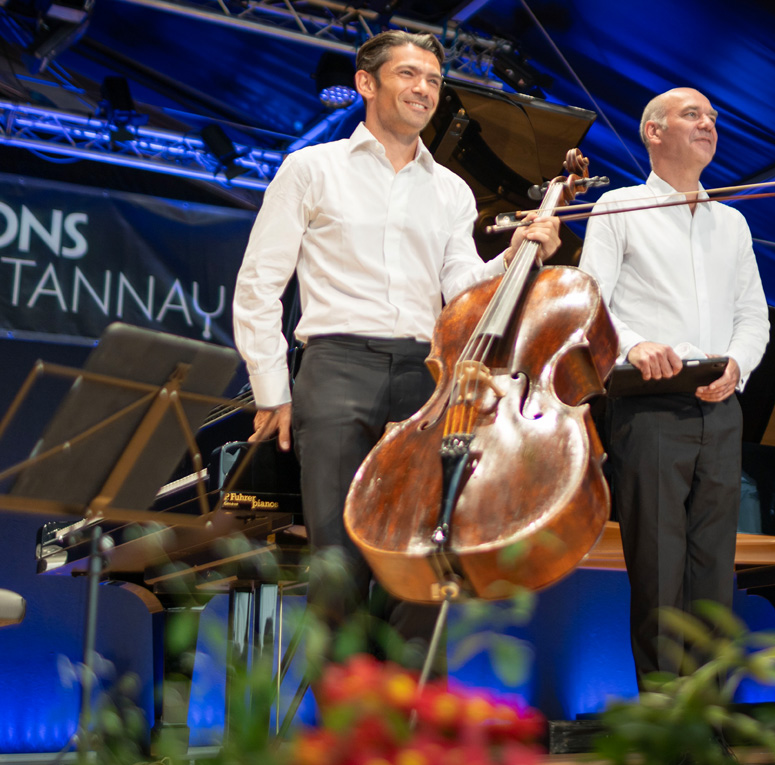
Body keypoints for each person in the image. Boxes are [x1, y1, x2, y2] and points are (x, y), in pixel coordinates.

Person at [231, 30, 561, 668]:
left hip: (424, 378)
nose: (424, 90)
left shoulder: (452, 190)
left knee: (422, 563)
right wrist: (273, 392)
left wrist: (516, 255)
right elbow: (258, 286)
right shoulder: (311, 168)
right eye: (409, 75)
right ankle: (346, 726)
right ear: (366, 83)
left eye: (434, 80)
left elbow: (461, 289)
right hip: (335, 368)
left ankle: (414, 723)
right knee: (338, 567)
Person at [579, 88, 770, 687]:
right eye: (693, 115)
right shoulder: (616, 207)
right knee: (659, 572)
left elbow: (753, 314)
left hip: (721, 405)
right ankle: (667, 721)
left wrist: (738, 364)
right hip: (650, 405)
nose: (708, 124)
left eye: (712, 117)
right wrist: (634, 344)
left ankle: (709, 721)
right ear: (654, 132)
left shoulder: (732, 221)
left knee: (714, 573)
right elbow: (588, 299)